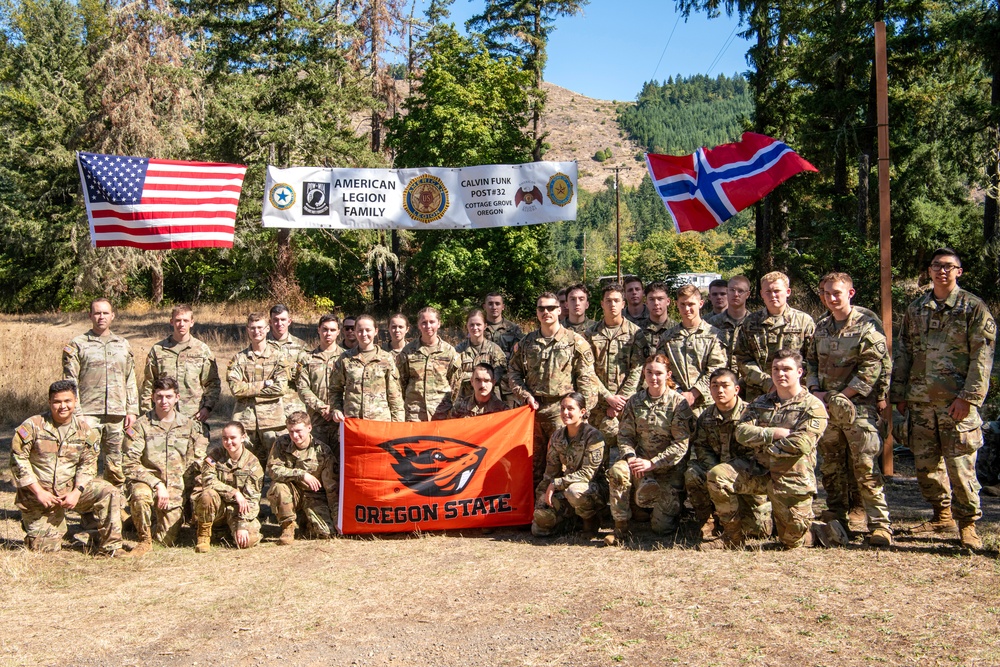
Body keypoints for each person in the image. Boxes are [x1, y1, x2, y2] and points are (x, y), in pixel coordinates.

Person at [891, 248, 996, 550]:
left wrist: (969, 398)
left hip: (956, 403)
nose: (942, 271)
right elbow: (904, 351)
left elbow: (982, 358)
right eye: (937, 266)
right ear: (929, 270)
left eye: (949, 266)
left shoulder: (973, 308)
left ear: (959, 272)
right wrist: (900, 393)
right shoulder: (916, 308)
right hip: (920, 402)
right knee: (926, 466)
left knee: (961, 466)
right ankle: (942, 515)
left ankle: (968, 524)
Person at [807, 272, 893, 547]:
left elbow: (872, 368)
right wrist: (815, 391)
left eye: (837, 293)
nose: (831, 298)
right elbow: (809, 362)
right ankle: (837, 516)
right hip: (827, 408)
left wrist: (842, 397)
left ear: (850, 293)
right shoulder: (821, 327)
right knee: (831, 465)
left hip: (858, 409)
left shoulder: (867, 326)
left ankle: (879, 524)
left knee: (865, 466)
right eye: (826, 293)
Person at [731, 349, 847, 549]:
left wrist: (762, 443)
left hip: (792, 478)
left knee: (792, 543)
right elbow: (741, 432)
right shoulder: (761, 402)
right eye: (775, 369)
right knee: (718, 476)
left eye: (786, 369)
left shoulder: (813, 406)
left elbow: (802, 444)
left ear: (800, 372)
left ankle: (819, 530)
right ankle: (734, 534)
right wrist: (774, 433)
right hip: (760, 471)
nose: (780, 374)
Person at [10, 380, 124, 555]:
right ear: (49, 402)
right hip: (40, 495)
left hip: (69, 491)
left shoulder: (85, 430)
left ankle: (110, 547)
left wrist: (77, 492)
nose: (62, 406)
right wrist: (39, 492)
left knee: (108, 491)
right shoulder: (32, 426)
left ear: (75, 401)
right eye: (57, 402)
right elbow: (18, 460)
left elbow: (88, 464)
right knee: (46, 550)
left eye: (67, 401)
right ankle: (43, 528)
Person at [509, 292, 599, 487]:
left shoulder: (575, 341)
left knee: (563, 463)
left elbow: (587, 380)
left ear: (559, 310)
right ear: (537, 312)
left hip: (563, 410)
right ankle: (538, 511)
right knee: (533, 462)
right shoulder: (527, 342)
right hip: (533, 410)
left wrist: (582, 414)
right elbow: (513, 372)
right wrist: (525, 396)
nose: (546, 312)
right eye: (541, 308)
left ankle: (563, 510)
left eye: (551, 308)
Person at [607, 355, 695, 544]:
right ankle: (620, 528)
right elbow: (625, 436)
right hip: (639, 466)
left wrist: (653, 463)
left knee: (661, 528)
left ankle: (659, 507)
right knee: (617, 471)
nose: (653, 378)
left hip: (667, 469)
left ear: (668, 374)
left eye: (658, 373)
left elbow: (681, 444)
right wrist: (631, 458)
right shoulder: (635, 401)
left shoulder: (678, 403)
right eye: (649, 372)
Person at [687, 369, 772, 549]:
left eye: (725, 386)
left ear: (736, 389)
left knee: (759, 529)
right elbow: (701, 447)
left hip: (748, 474)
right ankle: (710, 520)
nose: (720, 391)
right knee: (693, 473)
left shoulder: (751, 415)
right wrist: (714, 469)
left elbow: (758, 454)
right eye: (715, 386)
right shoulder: (706, 417)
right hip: (717, 472)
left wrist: (727, 470)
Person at [124, 376, 208, 556]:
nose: (164, 401)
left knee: (165, 540)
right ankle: (144, 539)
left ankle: (138, 519)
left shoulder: (190, 426)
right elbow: (129, 463)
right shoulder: (141, 426)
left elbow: (198, 462)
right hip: (149, 484)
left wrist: (194, 497)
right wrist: (156, 484)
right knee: (140, 495)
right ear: (153, 397)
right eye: (160, 396)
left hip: (176, 490)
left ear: (177, 397)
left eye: (169, 396)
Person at [63, 297, 139, 488]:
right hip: (88, 414)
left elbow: (130, 378)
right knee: (86, 460)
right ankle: (86, 507)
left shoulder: (122, 344)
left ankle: (115, 505)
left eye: (105, 313)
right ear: (90, 315)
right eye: (97, 313)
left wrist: (132, 410)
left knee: (116, 462)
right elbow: (70, 382)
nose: (101, 317)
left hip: (117, 413)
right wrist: (77, 413)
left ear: (112, 316)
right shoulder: (78, 344)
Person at [531, 392, 607, 538]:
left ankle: (591, 522)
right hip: (565, 488)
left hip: (593, 489)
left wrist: (557, 483)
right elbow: (550, 472)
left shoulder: (593, 436)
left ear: (582, 412)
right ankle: (571, 522)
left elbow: (588, 473)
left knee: (574, 491)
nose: (565, 412)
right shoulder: (557, 436)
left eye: (570, 409)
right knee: (539, 529)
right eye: (562, 408)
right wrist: (541, 501)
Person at [734, 271, 815, 401]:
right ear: (761, 294)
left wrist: (788, 380)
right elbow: (742, 359)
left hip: (794, 393)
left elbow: (811, 359)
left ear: (788, 292)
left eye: (777, 291)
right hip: (758, 393)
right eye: (768, 292)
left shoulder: (804, 321)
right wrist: (767, 383)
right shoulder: (750, 322)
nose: (773, 295)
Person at [140, 304, 220, 436]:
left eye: (185, 320)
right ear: (171, 322)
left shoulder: (202, 350)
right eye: (177, 320)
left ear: (192, 323)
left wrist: (207, 407)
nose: (181, 324)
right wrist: (147, 411)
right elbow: (149, 383)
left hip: (193, 416)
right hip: (162, 416)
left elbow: (212, 383)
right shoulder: (158, 350)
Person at [226, 312, 290, 469]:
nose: (256, 332)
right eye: (252, 328)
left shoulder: (279, 357)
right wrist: (266, 383)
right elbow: (235, 389)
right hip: (245, 421)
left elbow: (280, 388)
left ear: (267, 328)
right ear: (247, 330)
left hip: (272, 422)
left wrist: (249, 387)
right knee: (245, 466)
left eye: (260, 327)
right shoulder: (238, 359)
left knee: (277, 464)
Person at [585, 283, 642, 453]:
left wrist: (620, 401)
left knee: (626, 451)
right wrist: (608, 397)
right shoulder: (590, 334)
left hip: (627, 405)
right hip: (598, 404)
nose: (612, 305)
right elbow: (587, 370)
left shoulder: (635, 333)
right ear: (602, 303)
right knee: (596, 451)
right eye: (608, 301)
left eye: (617, 300)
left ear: (623, 303)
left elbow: (637, 370)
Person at [266, 412, 338, 544]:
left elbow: (332, 488)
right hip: (292, 492)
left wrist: (337, 518)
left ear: (309, 428)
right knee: (278, 487)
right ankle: (288, 527)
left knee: (327, 533)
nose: (295, 436)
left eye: (299, 431)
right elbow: (272, 470)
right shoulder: (281, 444)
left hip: (314, 496)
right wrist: (301, 474)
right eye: (291, 431)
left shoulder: (322, 451)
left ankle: (305, 521)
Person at [191, 421, 263, 552]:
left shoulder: (253, 463)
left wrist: (242, 525)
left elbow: (253, 499)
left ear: (243, 437)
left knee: (247, 541)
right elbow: (208, 482)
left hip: (238, 511)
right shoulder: (214, 456)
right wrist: (234, 492)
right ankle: (204, 536)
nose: (228, 442)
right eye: (225, 438)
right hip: (217, 508)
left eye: (233, 438)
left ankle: (227, 531)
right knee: (208, 494)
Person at [658, 284, 727, 416]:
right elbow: (663, 368)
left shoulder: (714, 335)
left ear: (700, 304)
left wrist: (695, 392)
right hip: (675, 403)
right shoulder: (668, 337)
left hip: (708, 404)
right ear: (676, 304)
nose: (687, 309)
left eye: (691, 304)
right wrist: (678, 393)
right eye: (682, 304)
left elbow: (716, 368)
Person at [331, 314, 405, 422]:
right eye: (360, 330)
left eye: (368, 330)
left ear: (375, 331)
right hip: (353, 422)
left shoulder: (386, 359)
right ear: (355, 332)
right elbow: (335, 389)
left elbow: (395, 395)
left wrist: (398, 422)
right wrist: (336, 409)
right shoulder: (345, 358)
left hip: (380, 422)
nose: (364, 334)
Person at [397, 307, 460, 421]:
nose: (428, 326)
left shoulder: (449, 351)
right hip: (414, 414)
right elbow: (401, 382)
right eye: (424, 323)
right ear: (418, 325)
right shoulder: (408, 351)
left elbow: (455, 384)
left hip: (441, 412)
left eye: (432, 322)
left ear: (439, 324)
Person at [297, 314, 344, 445]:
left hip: (340, 419)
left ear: (338, 332)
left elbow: (350, 387)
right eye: (325, 329)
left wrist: (336, 408)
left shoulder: (346, 358)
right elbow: (302, 388)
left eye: (332, 330)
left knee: (341, 460)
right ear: (318, 330)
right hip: (316, 420)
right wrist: (322, 408)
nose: (328, 333)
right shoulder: (307, 358)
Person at [452, 309, 507, 402]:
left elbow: (501, 373)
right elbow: (455, 376)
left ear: (485, 326)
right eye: (471, 325)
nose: (475, 328)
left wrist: (474, 378)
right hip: (465, 403)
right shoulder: (459, 350)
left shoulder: (494, 350)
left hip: (490, 402)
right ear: (467, 326)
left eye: (478, 324)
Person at [267, 304, 308, 417]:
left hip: (294, 403)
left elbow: (305, 375)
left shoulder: (301, 346)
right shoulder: (262, 345)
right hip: (269, 403)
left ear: (289, 321)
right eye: (275, 320)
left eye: (283, 319)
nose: (279, 324)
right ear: (270, 322)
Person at [707, 275, 751, 374]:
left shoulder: (755, 323)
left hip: (750, 382)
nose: (736, 294)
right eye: (732, 290)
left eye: (740, 291)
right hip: (720, 381)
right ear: (728, 291)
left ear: (747, 294)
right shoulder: (711, 323)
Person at [633, 281, 674, 361]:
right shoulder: (636, 330)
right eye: (652, 299)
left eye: (660, 299)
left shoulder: (677, 330)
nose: (656, 303)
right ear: (646, 302)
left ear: (668, 301)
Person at [483, 293, 524, 358]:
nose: (494, 307)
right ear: (484, 307)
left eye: (497, 304)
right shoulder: (477, 328)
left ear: (503, 307)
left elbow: (519, 353)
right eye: (490, 304)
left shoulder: (513, 329)